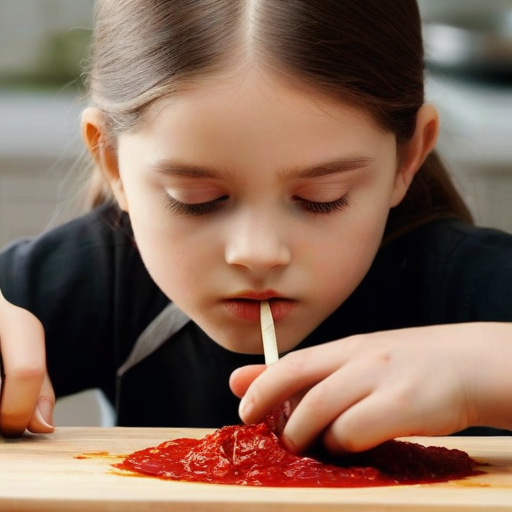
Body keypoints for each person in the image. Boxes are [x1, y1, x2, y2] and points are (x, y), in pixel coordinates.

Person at [1, 0, 512, 454]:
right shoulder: (104, 270)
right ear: (112, 162)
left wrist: (483, 375)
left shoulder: (469, 285)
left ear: (408, 157)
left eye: (321, 200)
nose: (258, 252)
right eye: (197, 200)